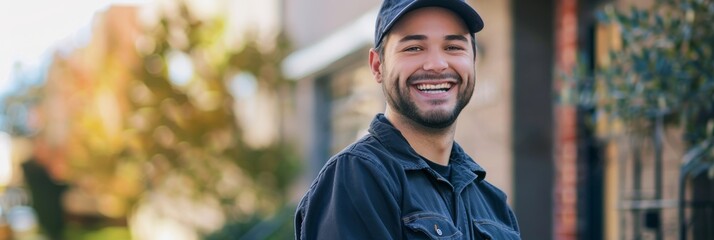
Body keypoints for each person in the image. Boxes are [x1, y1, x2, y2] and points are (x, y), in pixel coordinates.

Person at [294, 0, 520, 239]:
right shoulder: (358, 177)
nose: (437, 64)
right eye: (414, 48)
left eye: (453, 47)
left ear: (473, 61)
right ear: (377, 66)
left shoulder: (492, 203)